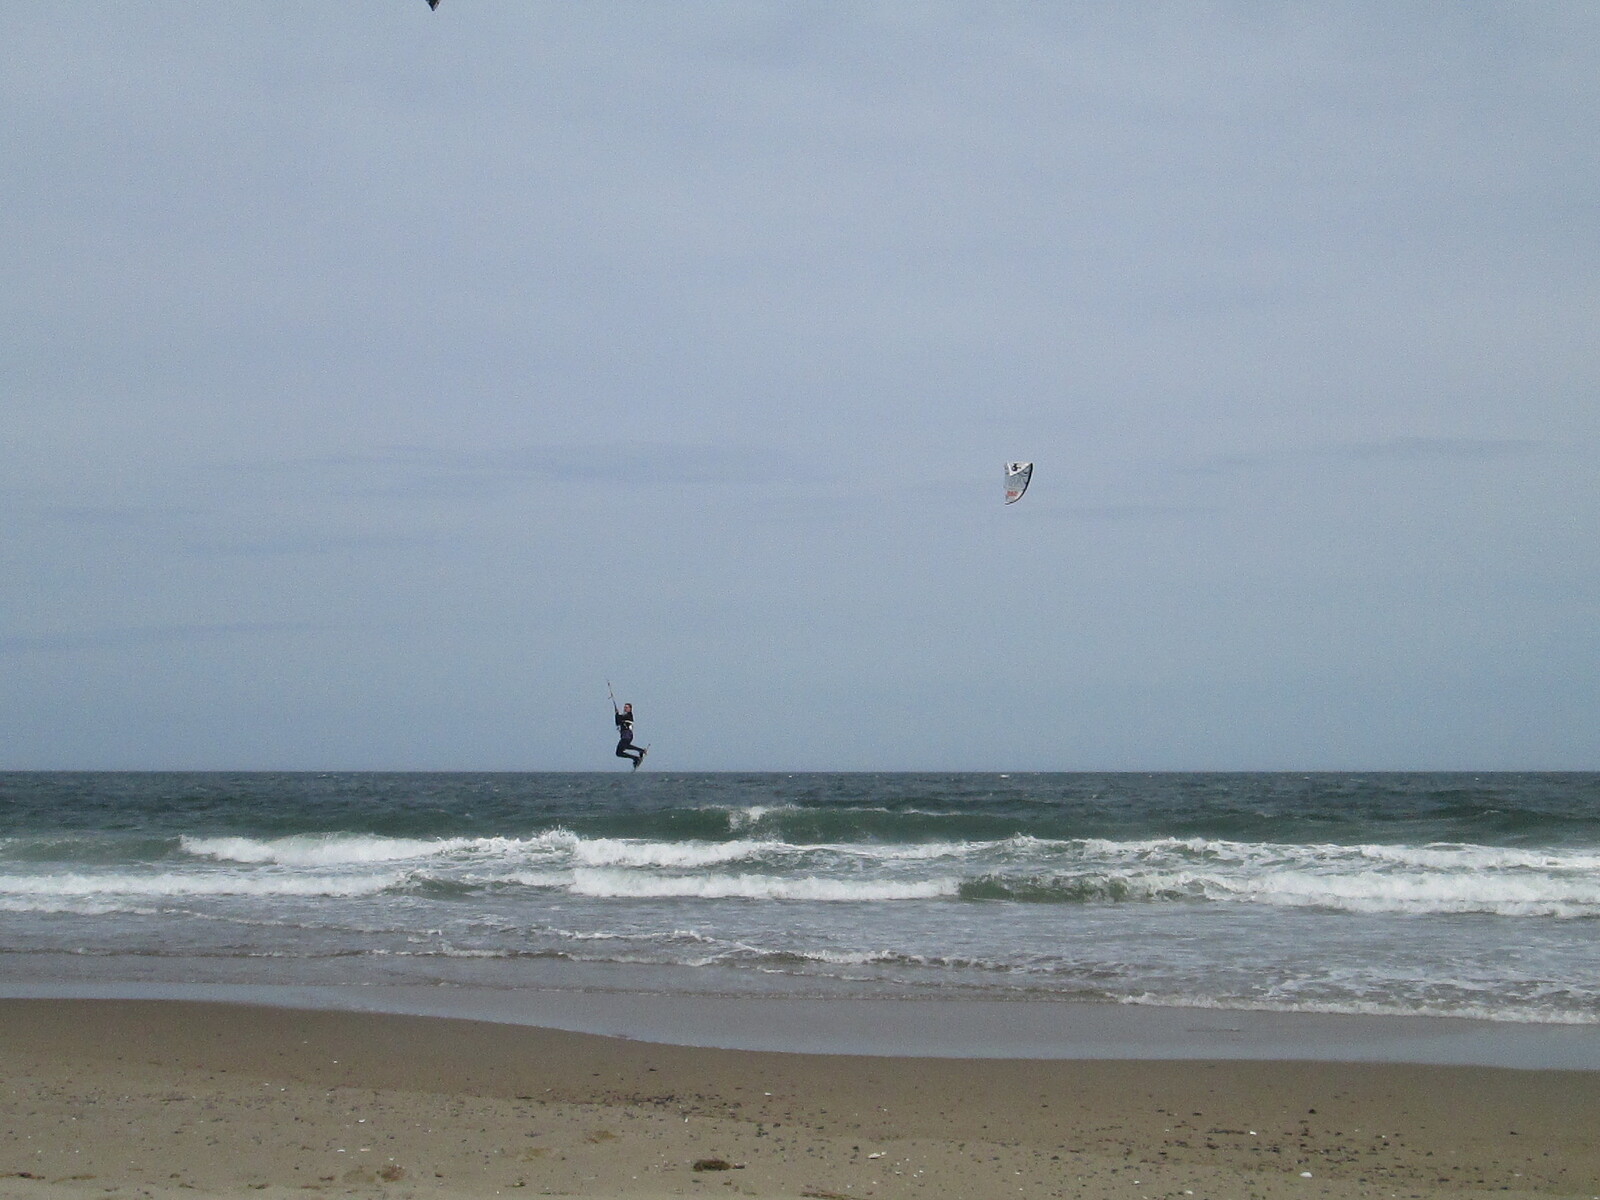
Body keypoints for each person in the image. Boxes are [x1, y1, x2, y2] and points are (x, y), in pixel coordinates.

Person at [614, 701, 647, 769]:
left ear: (630, 709)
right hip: (623, 735)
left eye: (626, 707)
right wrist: (616, 714)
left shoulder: (629, 715)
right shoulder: (623, 716)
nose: (625, 708)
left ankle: (641, 750)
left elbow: (621, 718)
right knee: (618, 753)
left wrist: (618, 714)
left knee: (625, 745)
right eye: (624, 707)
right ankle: (635, 758)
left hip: (628, 734)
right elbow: (617, 722)